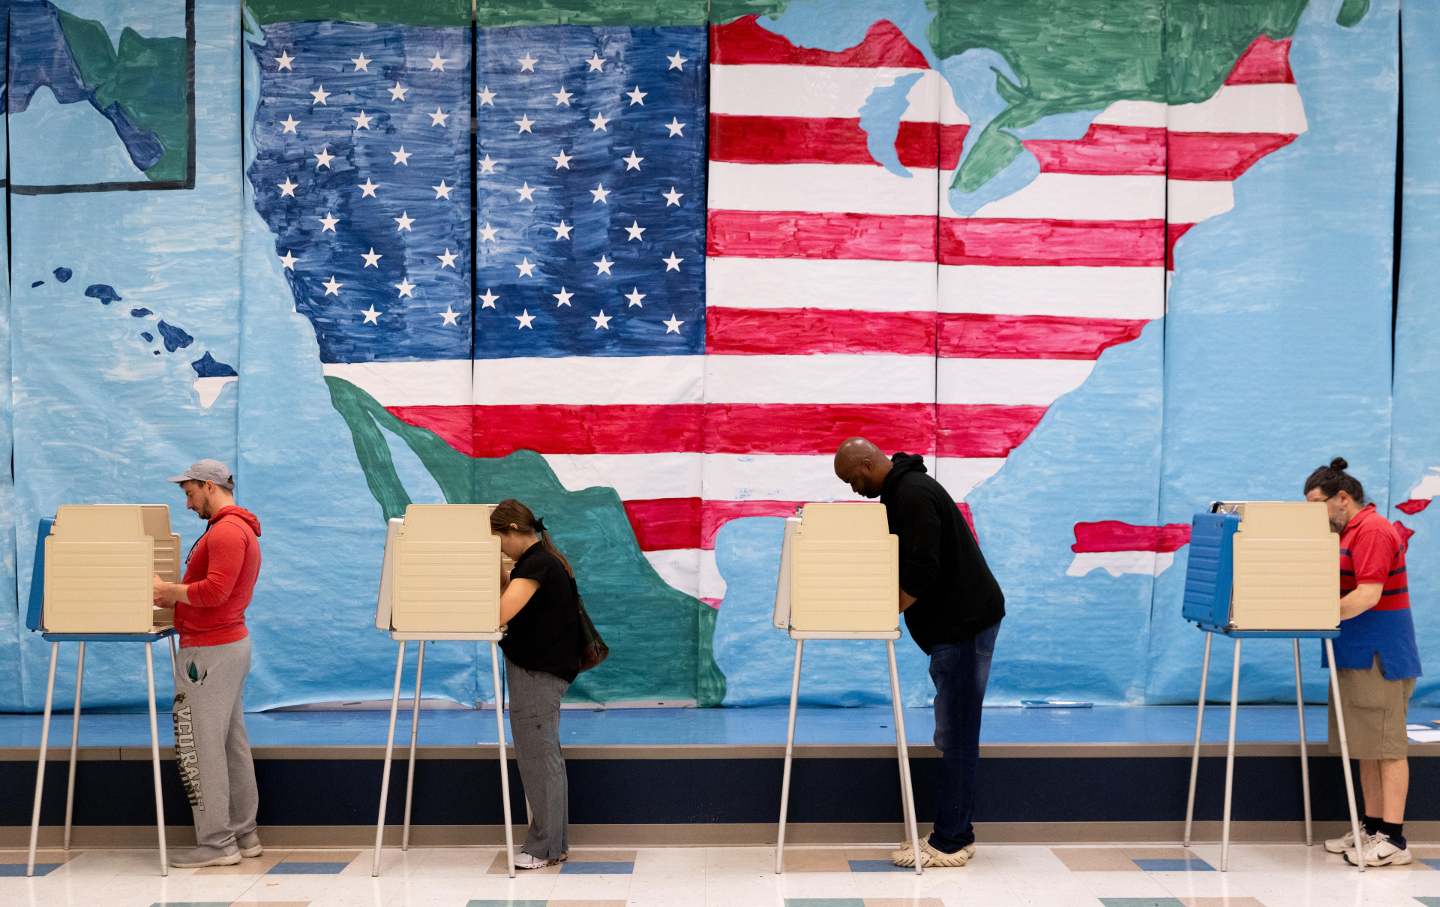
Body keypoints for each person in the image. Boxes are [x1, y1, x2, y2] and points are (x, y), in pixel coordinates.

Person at [832, 438, 1005, 868]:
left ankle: (951, 842)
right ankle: (952, 831)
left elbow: (923, 568)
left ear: (869, 462)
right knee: (953, 734)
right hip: (958, 626)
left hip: (963, 626)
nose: (853, 488)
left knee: (958, 736)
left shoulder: (910, 494)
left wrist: (880, 608)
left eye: (853, 478)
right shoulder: (904, 492)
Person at [1304, 457, 1421, 867]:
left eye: (1317, 504)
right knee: (1366, 748)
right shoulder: (1348, 532)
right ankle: (1371, 828)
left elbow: (1368, 595)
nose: (1313, 514)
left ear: (1342, 498)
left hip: (1379, 656)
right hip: (1354, 652)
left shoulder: (1372, 530)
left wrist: (1317, 613)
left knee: (1387, 748)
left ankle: (1395, 839)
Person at [151, 459, 264, 869]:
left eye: (190, 493)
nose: (187, 503)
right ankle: (244, 834)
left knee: (201, 746)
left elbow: (215, 592)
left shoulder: (227, 532)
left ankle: (217, 844)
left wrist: (170, 591)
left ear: (209, 486)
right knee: (230, 742)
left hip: (209, 652)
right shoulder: (236, 529)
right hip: (225, 646)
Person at [492, 499, 582, 870]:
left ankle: (544, 847)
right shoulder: (545, 559)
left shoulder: (537, 565)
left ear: (514, 529)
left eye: (498, 538)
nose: (498, 546)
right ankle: (554, 844)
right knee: (545, 757)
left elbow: (498, 612)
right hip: (542, 671)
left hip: (536, 673)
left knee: (537, 758)